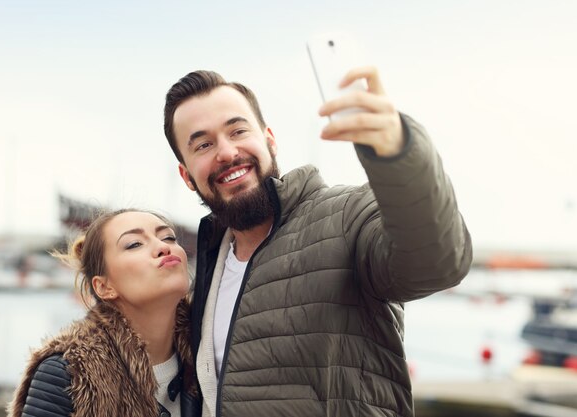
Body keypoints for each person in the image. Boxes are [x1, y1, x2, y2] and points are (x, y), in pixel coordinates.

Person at [162, 67, 473, 417]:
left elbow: (437, 264)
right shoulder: (209, 265)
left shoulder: (347, 216)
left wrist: (400, 156)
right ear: (187, 175)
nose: (226, 151)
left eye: (238, 130)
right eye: (203, 144)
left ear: (270, 140)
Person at [7, 209, 201, 417]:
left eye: (169, 237)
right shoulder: (69, 373)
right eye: (134, 244)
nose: (163, 247)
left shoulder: (209, 352)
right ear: (104, 287)